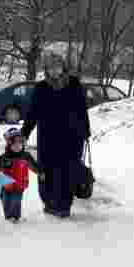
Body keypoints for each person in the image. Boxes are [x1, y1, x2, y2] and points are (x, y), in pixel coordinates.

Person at [19, 53, 90, 218]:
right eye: (50, 67)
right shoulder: (41, 87)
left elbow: (82, 110)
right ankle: (49, 203)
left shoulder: (74, 84)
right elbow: (32, 113)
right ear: (46, 70)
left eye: (57, 66)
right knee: (47, 172)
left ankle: (64, 206)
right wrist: (25, 133)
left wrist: (85, 131)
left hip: (72, 138)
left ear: (63, 67)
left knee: (67, 172)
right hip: (48, 138)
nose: (54, 70)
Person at [0, 127, 43, 222]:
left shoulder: (25, 156)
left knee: (16, 201)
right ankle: (8, 216)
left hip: (19, 185)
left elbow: (33, 166)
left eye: (20, 144)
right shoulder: (5, 157)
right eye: (14, 145)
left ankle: (15, 217)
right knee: (6, 200)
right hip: (6, 185)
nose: (17, 146)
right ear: (9, 145)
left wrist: (40, 172)